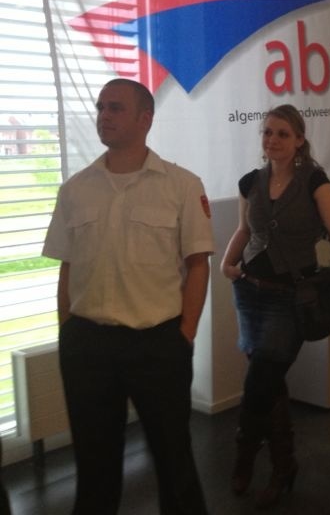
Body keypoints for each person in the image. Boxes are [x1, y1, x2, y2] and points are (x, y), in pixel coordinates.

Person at [42, 78, 213, 514]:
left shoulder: (181, 185)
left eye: (115, 107)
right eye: (101, 107)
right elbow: (67, 266)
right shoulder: (75, 189)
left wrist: (185, 335)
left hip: (158, 344)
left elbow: (198, 264)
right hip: (88, 346)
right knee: (94, 466)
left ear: (145, 119)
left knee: (174, 461)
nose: (104, 115)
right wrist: (68, 330)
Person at [219, 104, 330, 509]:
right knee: (270, 380)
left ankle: (245, 452)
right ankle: (284, 465)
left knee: (261, 376)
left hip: (288, 295)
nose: (273, 140)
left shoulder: (314, 180)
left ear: (298, 140)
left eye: (282, 133)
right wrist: (226, 263)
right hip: (250, 291)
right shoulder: (249, 182)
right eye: (267, 132)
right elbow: (244, 230)